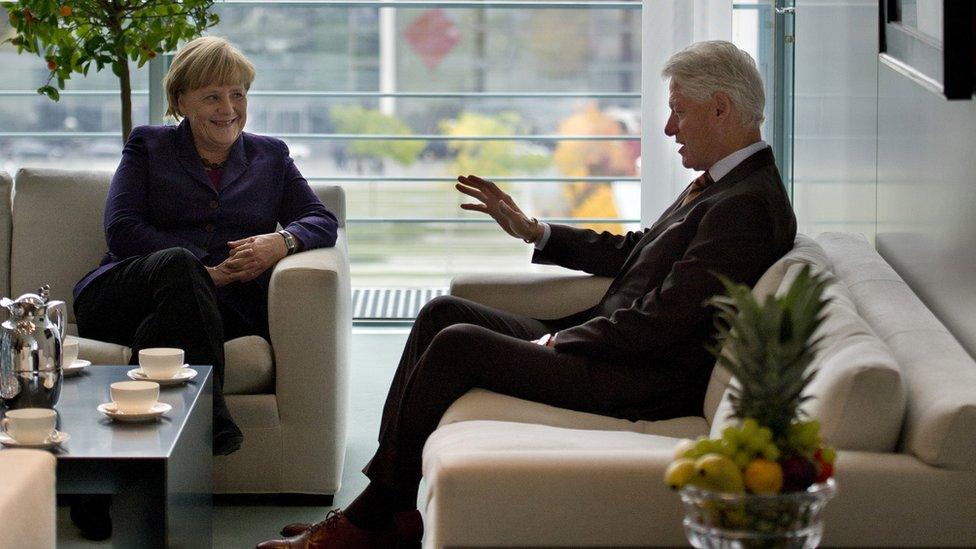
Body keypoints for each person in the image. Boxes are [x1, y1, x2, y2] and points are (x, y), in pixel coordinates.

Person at [256, 40, 796, 549]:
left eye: (679, 109)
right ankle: (390, 507)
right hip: (616, 345)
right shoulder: (724, 183)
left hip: (637, 374)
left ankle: (369, 521)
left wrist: (563, 339)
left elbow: (668, 319)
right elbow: (639, 251)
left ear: (721, 108)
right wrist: (534, 230)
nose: (668, 126)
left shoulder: (745, 204)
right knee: (441, 312)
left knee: (458, 344)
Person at [70, 36, 338, 540]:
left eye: (238, 94)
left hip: (214, 308)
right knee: (175, 263)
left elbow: (320, 219)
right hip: (124, 293)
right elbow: (123, 229)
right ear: (181, 102)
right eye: (212, 96)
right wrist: (198, 268)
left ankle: (102, 487)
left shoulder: (271, 156)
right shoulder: (148, 145)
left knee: (162, 335)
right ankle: (211, 416)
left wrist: (282, 242)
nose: (228, 108)